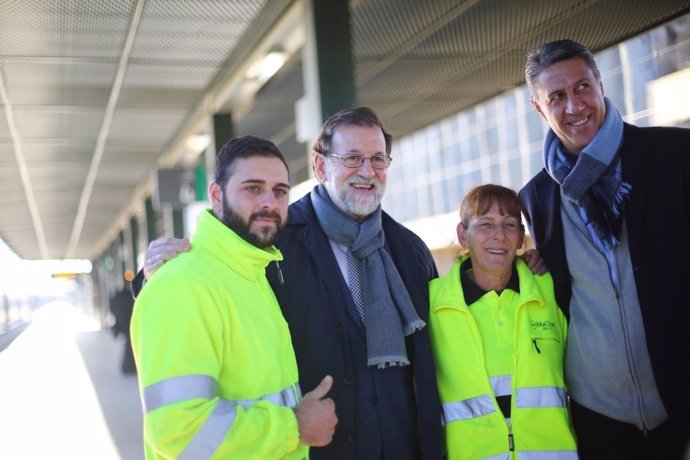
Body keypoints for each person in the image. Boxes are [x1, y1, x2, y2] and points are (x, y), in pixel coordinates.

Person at [135, 107, 444, 459]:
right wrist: (153, 276)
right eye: (352, 158)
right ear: (320, 166)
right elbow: (212, 268)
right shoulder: (271, 239)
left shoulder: (411, 252)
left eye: (377, 159)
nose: (367, 171)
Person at [520, 39, 690, 459]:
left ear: (600, 84)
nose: (574, 106)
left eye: (582, 87)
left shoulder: (675, 154)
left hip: (682, 401)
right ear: (539, 109)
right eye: (556, 96)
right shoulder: (536, 198)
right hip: (598, 418)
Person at [130, 136, 337, 459]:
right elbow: (179, 432)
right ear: (216, 195)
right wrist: (294, 427)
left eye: (280, 191)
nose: (269, 201)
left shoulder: (253, 273)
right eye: (253, 188)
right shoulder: (184, 284)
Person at [429, 184, 576, 459]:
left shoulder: (551, 290)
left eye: (510, 225)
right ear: (463, 235)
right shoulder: (432, 305)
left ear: (521, 238)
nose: (499, 236)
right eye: (486, 224)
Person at [109, 272, 136, 375]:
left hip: (125, 323)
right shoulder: (128, 295)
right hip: (127, 323)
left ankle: (128, 366)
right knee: (129, 344)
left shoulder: (121, 295)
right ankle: (128, 367)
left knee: (129, 344)